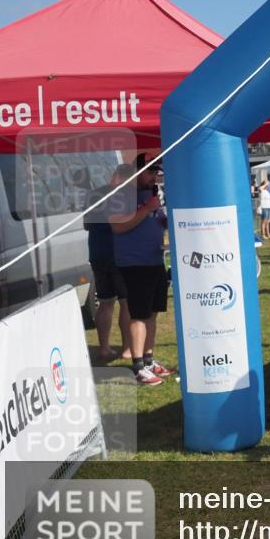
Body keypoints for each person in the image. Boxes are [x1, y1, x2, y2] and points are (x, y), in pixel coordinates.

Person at [107, 154, 173, 386]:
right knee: (139, 315)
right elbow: (117, 226)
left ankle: (149, 359)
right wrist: (146, 209)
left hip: (155, 258)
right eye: (150, 172)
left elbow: (157, 219)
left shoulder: (152, 194)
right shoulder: (120, 195)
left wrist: (166, 221)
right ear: (137, 172)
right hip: (133, 263)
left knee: (153, 313)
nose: (154, 177)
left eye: (157, 172)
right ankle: (137, 366)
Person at [84, 164, 133, 364]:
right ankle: (128, 349)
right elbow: (127, 224)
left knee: (105, 302)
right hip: (119, 253)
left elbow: (86, 225)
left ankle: (104, 348)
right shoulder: (127, 195)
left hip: (97, 252)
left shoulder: (93, 194)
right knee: (126, 302)